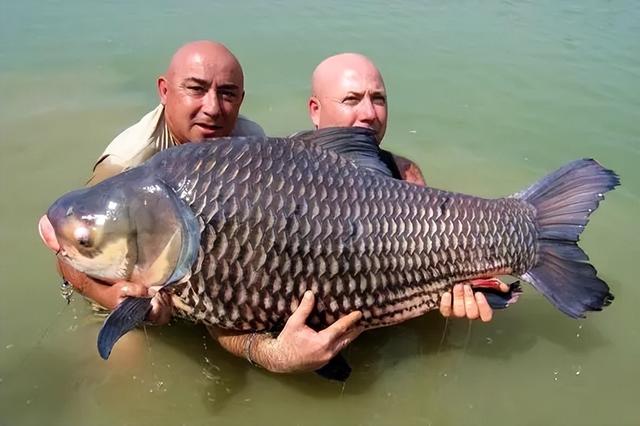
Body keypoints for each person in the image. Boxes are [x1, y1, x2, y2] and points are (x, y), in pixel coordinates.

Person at [39, 44, 504, 376]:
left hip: (220, 281)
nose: (212, 107)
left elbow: (247, 274)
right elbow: (63, 249)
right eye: (195, 89)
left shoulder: (249, 144)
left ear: (241, 98)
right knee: (129, 363)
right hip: (142, 286)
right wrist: (117, 298)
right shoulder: (127, 161)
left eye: (227, 93)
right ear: (164, 90)